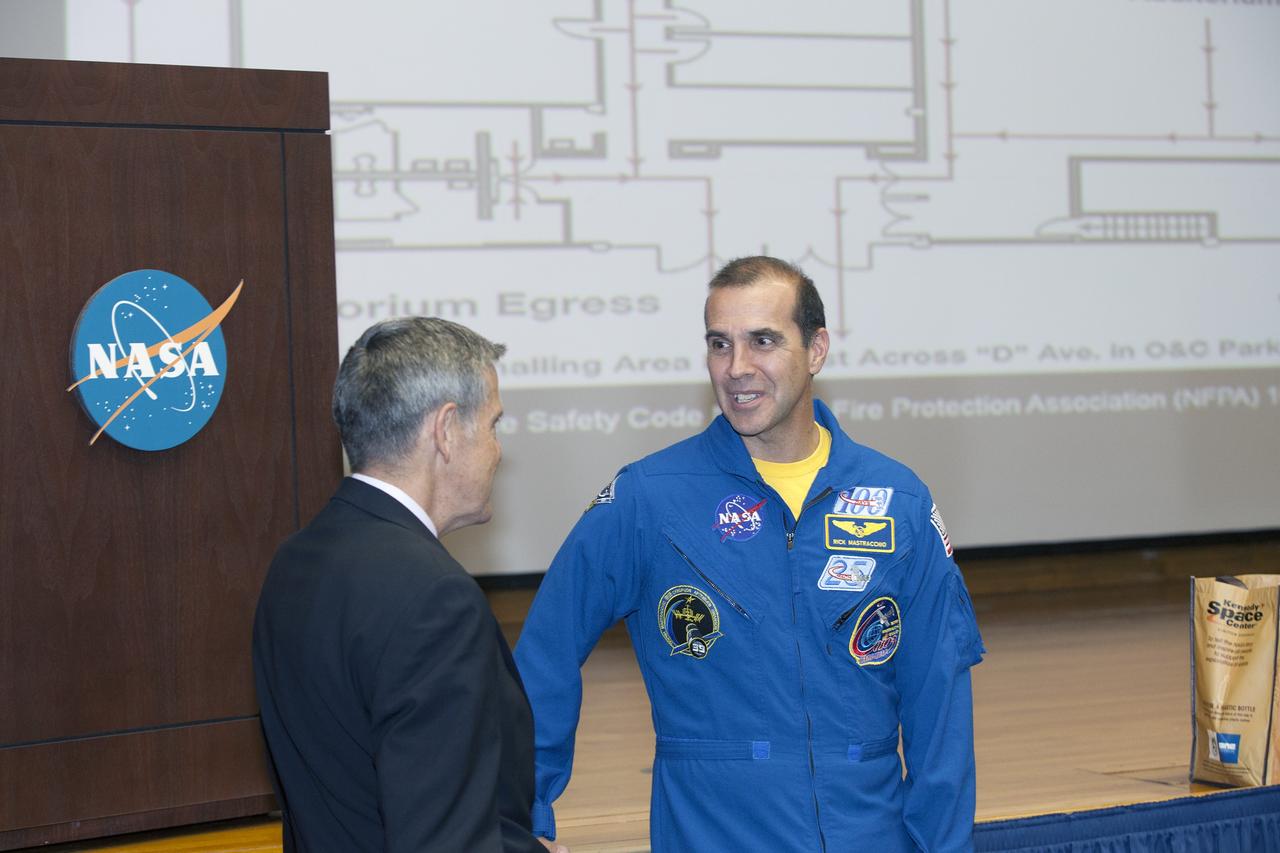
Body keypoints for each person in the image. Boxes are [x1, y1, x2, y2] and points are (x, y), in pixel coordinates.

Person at [514, 257, 985, 851]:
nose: (737, 368)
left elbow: (939, 708)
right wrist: (524, 816)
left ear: (816, 349)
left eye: (763, 340)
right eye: (719, 344)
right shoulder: (650, 497)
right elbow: (544, 657)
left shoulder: (899, 501)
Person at [253, 317, 559, 853]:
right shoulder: (435, 600)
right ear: (444, 431)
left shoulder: (293, 561)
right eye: (492, 425)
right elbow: (443, 838)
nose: (498, 450)